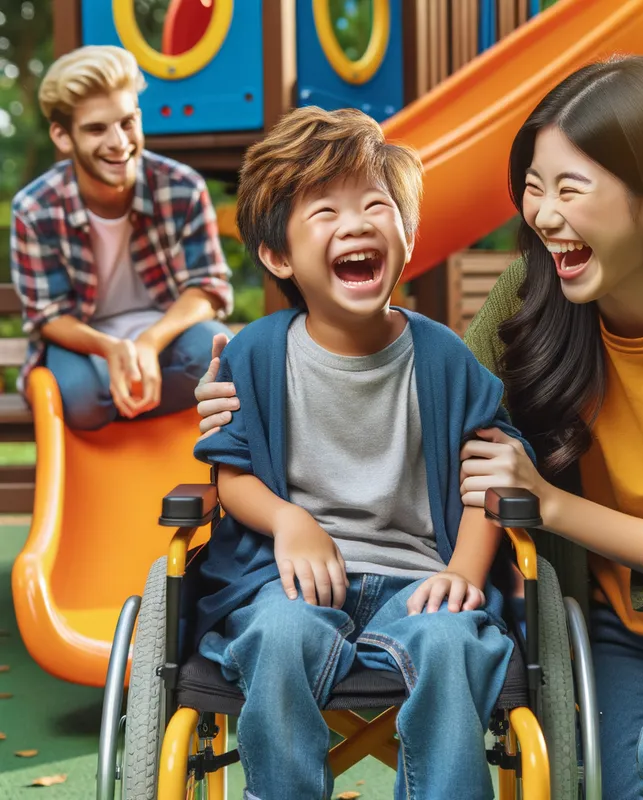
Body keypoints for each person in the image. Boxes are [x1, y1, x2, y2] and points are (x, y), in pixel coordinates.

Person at [196, 56, 643, 800]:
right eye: (535, 188)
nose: (543, 216)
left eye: (570, 189)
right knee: (627, 779)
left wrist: (547, 507)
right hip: (617, 631)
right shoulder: (535, 297)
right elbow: (457, 422)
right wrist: (239, 397)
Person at [192, 105, 537, 800]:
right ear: (278, 255)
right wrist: (290, 522)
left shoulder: (442, 356)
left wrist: (467, 571)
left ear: (406, 234)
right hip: (288, 579)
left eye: (376, 205)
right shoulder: (257, 354)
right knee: (279, 636)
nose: (356, 224)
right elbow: (231, 477)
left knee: (448, 642)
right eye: (325, 212)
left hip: (420, 577)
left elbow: (488, 472)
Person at [10, 45, 233, 430]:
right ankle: (123, 416)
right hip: (84, 341)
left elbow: (208, 287)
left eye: (127, 122)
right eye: (97, 128)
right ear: (62, 136)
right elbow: (49, 316)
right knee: (81, 399)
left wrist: (149, 341)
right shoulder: (34, 209)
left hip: (165, 334)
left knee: (219, 361)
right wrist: (110, 349)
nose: (119, 142)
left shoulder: (182, 187)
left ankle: (147, 423)